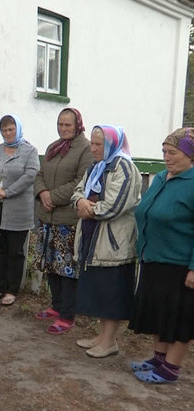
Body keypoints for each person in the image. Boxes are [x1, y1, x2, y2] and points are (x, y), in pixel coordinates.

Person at [128, 127, 194, 383]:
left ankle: (171, 369)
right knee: (159, 312)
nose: (167, 157)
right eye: (164, 151)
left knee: (179, 318)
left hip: (179, 263)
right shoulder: (161, 178)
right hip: (154, 257)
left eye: (173, 152)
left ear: (190, 155)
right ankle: (159, 358)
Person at [71, 125, 141, 358]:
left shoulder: (125, 169)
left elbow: (115, 205)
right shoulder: (96, 166)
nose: (93, 148)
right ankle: (102, 336)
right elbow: (78, 191)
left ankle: (110, 341)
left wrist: (88, 209)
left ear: (112, 144)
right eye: (92, 143)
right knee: (99, 288)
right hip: (93, 238)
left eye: (98, 144)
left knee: (111, 290)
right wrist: (80, 203)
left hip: (113, 242)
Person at [33, 108, 94, 335]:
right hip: (47, 216)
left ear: (77, 124)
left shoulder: (85, 149)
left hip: (68, 218)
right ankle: (56, 305)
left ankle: (68, 314)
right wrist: (42, 193)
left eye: (68, 125)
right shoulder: (53, 147)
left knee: (67, 268)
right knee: (51, 265)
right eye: (60, 124)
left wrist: (53, 196)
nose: (64, 128)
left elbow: (82, 180)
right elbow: (40, 174)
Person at [0, 115, 39, 306]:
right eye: (4, 130)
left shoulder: (29, 151)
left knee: (15, 250)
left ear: (18, 129)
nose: (8, 133)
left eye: (11, 129)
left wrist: (7, 192)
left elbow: (30, 175)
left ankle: (11, 290)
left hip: (17, 209)